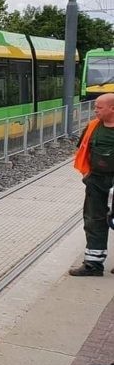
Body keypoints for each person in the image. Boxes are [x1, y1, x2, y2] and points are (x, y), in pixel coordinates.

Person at [70, 92, 114, 276]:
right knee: (93, 220)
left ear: (112, 108)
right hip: (96, 181)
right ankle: (93, 265)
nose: (95, 110)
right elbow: (83, 149)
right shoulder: (93, 126)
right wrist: (87, 173)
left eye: (99, 107)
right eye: (95, 106)